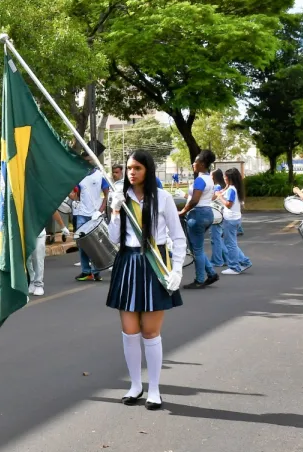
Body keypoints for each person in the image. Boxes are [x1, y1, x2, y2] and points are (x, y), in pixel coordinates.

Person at [105, 150, 186, 411]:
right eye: (129, 168)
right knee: (129, 332)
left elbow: (179, 236)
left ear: (147, 171)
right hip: (128, 263)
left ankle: (154, 389)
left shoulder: (163, 198)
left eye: (137, 168)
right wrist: (115, 211)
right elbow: (114, 238)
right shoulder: (121, 198)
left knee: (150, 332)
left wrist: (178, 270)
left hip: (155, 262)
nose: (132, 172)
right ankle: (135, 385)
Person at [179, 150, 218, 289]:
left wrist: (182, 212)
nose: (193, 164)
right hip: (208, 213)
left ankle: (200, 279)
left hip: (197, 214)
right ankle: (211, 273)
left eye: (195, 161)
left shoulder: (200, 180)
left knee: (197, 250)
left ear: (201, 164)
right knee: (198, 248)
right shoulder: (209, 179)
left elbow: (195, 200)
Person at [73, 153, 111, 281]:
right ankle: (86, 271)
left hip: (96, 215)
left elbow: (107, 195)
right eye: (85, 161)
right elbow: (75, 195)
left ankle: (96, 270)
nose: (87, 163)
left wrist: (100, 210)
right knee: (82, 243)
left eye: (89, 160)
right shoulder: (79, 176)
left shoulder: (99, 175)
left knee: (96, 244)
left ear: (93, 161)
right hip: (82, 214)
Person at [218, 168, 251, 275]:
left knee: (230, 244)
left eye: (225, 176)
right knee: (232, 243)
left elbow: (228, 204)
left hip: (230, 219)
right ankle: (245, 262)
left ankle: (234, 267)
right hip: (235, 218)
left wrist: (219, 197)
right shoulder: (234, 188)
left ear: (230, 178)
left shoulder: (232, 189)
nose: (224, 178)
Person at [209, 169, 228, 268]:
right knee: (218, 238)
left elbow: (211, 198)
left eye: (211, 176)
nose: (210, 177)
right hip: (221, 214)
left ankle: (217, 261)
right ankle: (226, 258)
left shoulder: (216, 187)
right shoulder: (223, 186)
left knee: (215, 238)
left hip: (216, 214)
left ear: (215, 177)